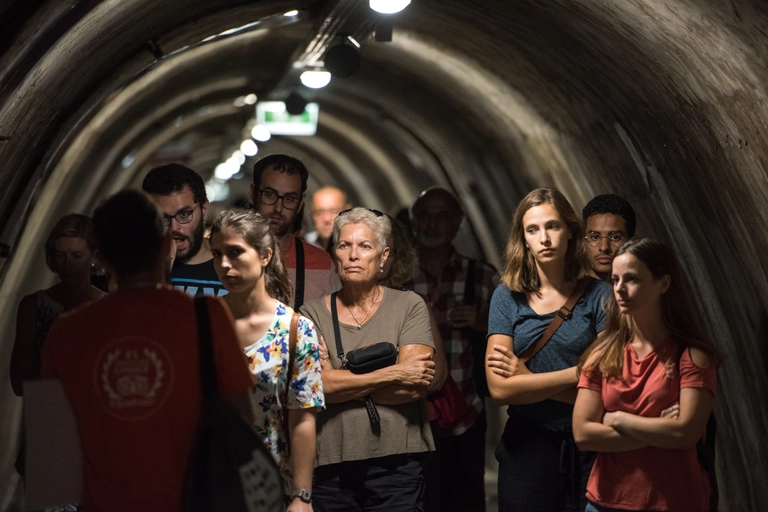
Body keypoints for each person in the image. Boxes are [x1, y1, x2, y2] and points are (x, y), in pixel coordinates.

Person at [39, 190, 255, 511]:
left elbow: (49, 454)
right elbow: (242, 419)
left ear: (101, 258)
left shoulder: (65, 332)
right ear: (165, 246)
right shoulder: (206, 317)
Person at [300, 207, 436, 512]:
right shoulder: (311, 314)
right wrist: (394, 373)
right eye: (344, 245)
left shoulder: (409, 306)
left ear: (383, 256)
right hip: (332, 464)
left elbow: (413, 387)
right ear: (334, 254)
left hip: (398, 463)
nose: (353, 255)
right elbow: (316, 387)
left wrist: (339, 381)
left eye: (364, 246)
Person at [486, 187, 611, 512]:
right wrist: (577, 374)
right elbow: (500, 389)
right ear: (523, 239)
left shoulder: (600, 296)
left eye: (552, 226)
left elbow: (608, 383)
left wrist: (526, 380)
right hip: (528, 447)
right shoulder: (507, 297)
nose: (544, 238)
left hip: (588, 445)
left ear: (570, 231)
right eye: (533, 229)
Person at [573, 238, 720, 512]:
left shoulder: (690, 356)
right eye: (615, 279)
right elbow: (583, 434)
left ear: (663, 284)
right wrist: (660, 430)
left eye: (632, 279)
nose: (619, 289)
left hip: (672, 501)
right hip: (606, 501)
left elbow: (686, 434)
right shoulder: (602, 355)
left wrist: (617, 419)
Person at [209, 209, 324, 510]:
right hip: (211, 482)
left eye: (235, 252)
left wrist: (302, 495)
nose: (224, 264)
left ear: (265, 256)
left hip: (270, 483)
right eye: (217, 254)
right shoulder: (202, 322)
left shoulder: (295, 329)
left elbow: (302, 418)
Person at [407, 187, 496, 512]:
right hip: (413, 415)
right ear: (414, 221)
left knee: (465, 499)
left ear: (457, 224)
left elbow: (517, 335)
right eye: (425, 215)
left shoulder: (481, 276)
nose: (432, 223)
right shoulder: (400, 276)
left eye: (442, 216)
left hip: (465, 413)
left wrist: (482, 322)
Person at [11, 214, 106, 397]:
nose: (68, 265)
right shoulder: (34, 306)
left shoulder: (108, 307)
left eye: (77, 256)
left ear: (93, 256)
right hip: (48, 409)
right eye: (60, 256)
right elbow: (19, 380)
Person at [250, 154, 339, 309]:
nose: (278, 208)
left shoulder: (323, 264)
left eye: (289, 199)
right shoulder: (225, 258)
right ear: (253, 194)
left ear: (300, 203)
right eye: (270, 195)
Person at [142, 163, 227, 297]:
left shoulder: (230, 263)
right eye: (162, 217)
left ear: (204, 210)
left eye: (184, 214)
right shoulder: (136, 269)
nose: (174, 227)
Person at [582, 194, 636, 282]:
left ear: (632, 243)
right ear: (583, 241)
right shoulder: (566, 289)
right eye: (595, 237)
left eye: (615, 237)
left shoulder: (648, 289)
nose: (604, 247)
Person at [306, 186, 351, 252]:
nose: (327, 219)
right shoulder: (302, 246)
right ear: (311, 215)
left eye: (334, 211)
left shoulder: (360, 246)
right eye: (319, 212)